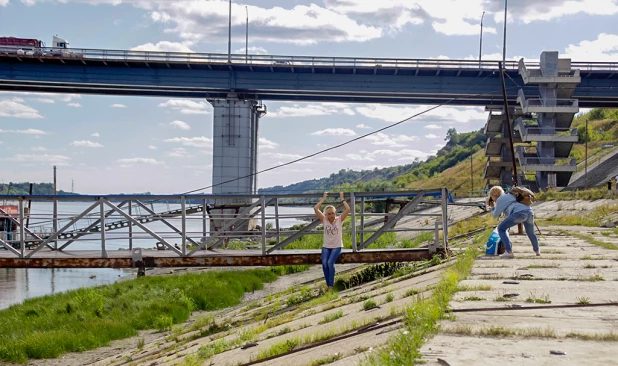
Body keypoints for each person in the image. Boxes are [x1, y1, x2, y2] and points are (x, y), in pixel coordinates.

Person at [487, 186, 540, 259]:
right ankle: (537, 251)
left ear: (494, 195)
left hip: (519, 214)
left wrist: (492, 206)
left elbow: (495, 215)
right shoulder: (510, 195)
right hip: (530, 212)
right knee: (531, 233)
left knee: (501, 228)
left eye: (491, 196)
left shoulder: (500, 199)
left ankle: (509, 252)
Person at [314, 192, 350, 291]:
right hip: (326, 246)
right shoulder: (324, 220)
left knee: (330, 263)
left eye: (333, 213)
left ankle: (331, 285)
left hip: (337, 246)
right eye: (329, 214)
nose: (331, 215)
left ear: (335, 213)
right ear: (326, 214)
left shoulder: (339, 220)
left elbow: (348, 209)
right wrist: (323, 199)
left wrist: (342, 198)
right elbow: (316, 209)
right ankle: (328, 284)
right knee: (324, 263)